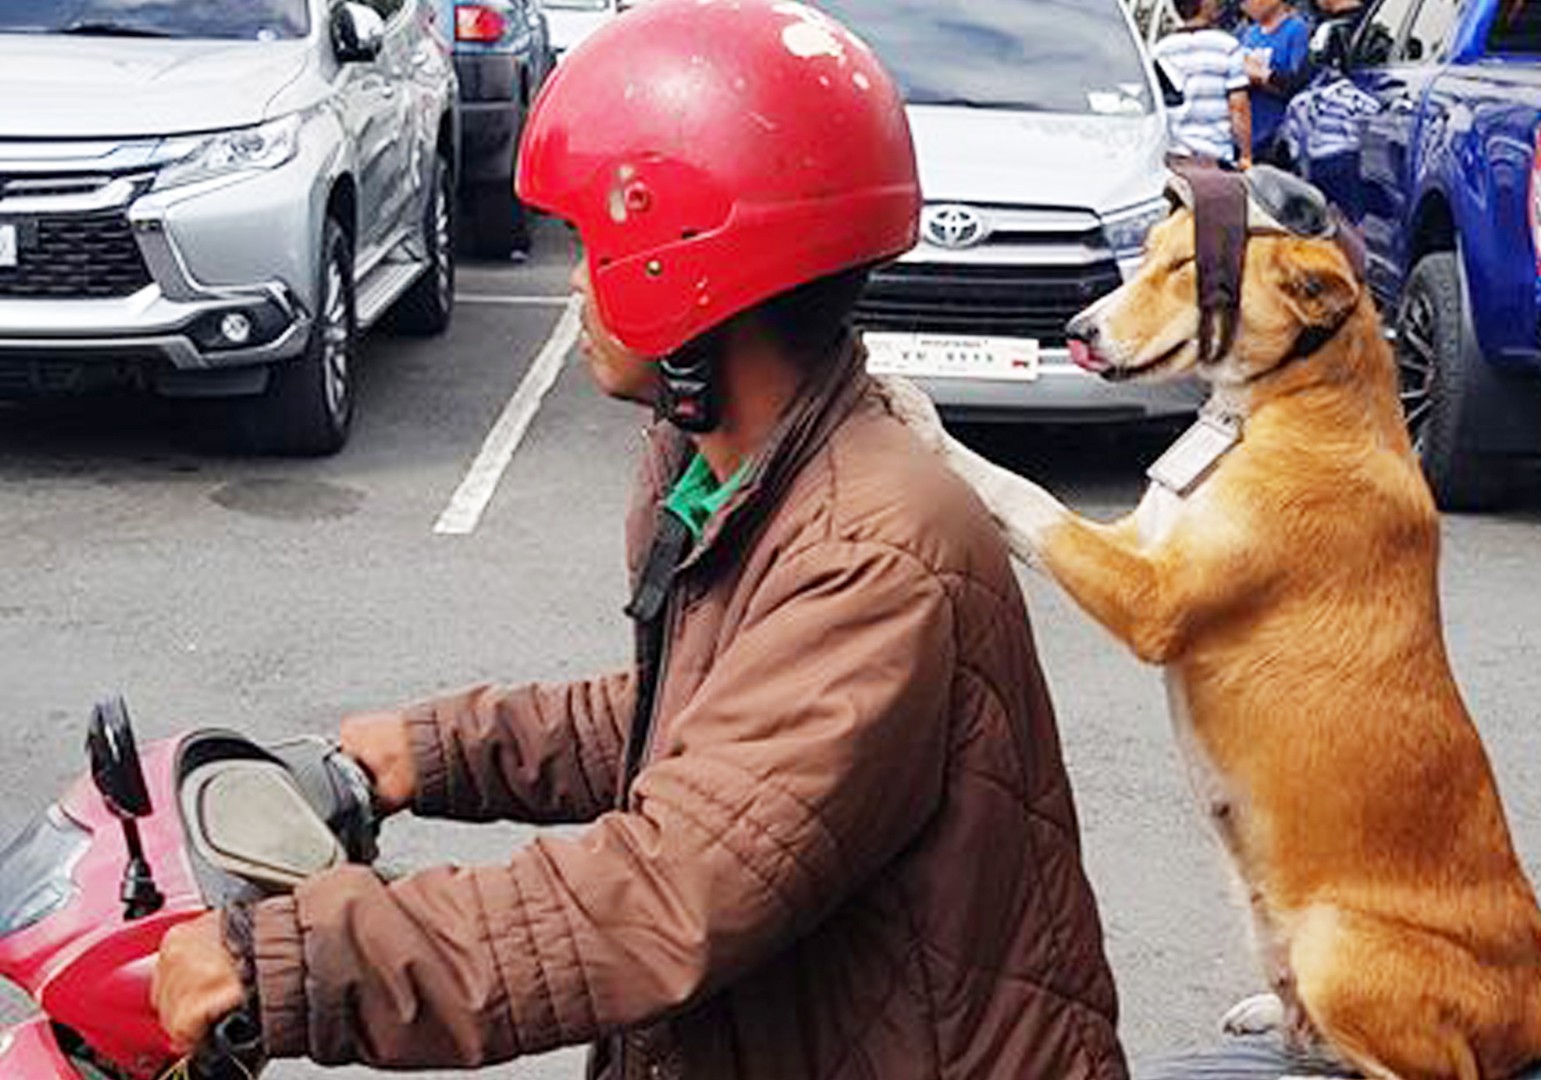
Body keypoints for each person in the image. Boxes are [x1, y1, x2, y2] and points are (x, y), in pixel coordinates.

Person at [149, 2, 1127, 1077]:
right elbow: (703, 725)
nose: (573, 288)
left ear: (692, 265)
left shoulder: (875, 555)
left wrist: (291, 962)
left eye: (592, 249)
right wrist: (431, 754)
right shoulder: (731, 466)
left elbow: (665, 891)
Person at [1153, 0, 1253, 169]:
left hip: (1175, 157)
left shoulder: (1160, 50)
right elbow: (1238, 107)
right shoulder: (1228, 47)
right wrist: (1246, 155)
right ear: (1205, 5)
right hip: (1216, 156)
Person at [1238, 0, 1313, 168]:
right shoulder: (1249, 33)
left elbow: (1299, 86)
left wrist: (1262, 77)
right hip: (1250, 136)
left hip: (1278, 136)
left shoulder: (1296, 30)